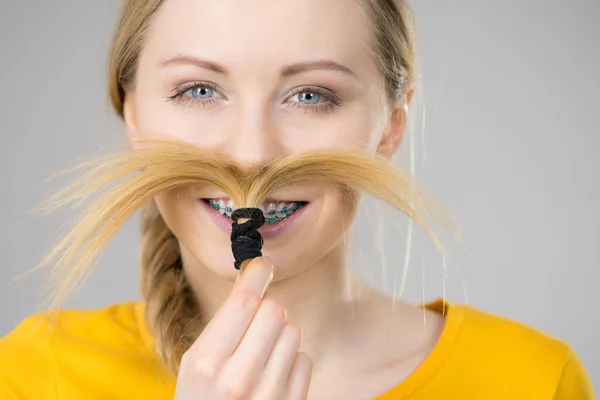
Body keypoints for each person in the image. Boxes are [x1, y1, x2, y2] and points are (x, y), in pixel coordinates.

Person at [0, 0, 594, 399]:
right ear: (132, 114)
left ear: (390, 125)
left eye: (311, 95)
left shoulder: (533, 380)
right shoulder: (37, 374)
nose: (253, 153)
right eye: (199, 89)